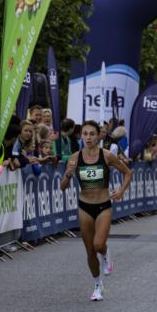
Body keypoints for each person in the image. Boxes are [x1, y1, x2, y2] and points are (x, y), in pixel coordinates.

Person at [60, 120, 132, 302]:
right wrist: (69, 173)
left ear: (99, 136)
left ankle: (106, 254)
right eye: (85, 134)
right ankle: (97, 285)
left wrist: (121, 191)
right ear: (81, 136)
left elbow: (128, 172)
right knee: (90, 251)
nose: (88, 137)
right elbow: (62, 186)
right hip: (84, 206)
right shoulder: (75, 157)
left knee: (99, 245)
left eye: (92, 134)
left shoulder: (107, 155)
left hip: (103, 205)